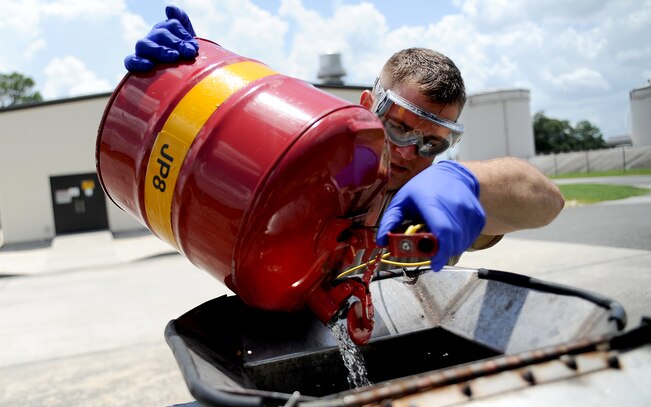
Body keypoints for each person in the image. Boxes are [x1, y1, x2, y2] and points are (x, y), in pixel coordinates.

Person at [125, 6, 564, 272]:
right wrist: (174, 82)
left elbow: (547, 200)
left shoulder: (432, 210)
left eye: (434, 143)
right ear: (367, 103)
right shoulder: (306, 171)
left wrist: (465, 182)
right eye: (400, 126)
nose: (413, 151)